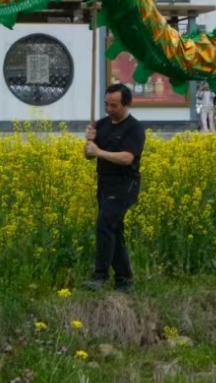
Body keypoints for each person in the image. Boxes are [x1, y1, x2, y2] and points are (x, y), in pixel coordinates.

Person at [84, 83, 145, 292]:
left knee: (105, 225)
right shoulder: (101, 124)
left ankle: (100, 275)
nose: (109, 109)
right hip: (105, 183)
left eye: (114, 105)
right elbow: (89, 155)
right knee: (114, 229)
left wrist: (98, 151)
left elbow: (127, 158)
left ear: (126, 104)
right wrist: (89, 144)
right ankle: (124, 279)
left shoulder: (134, 128)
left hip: (125, 185)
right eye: (106, 104)